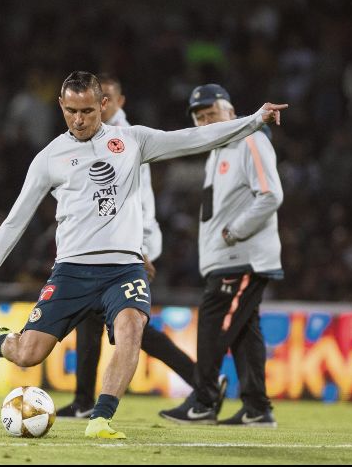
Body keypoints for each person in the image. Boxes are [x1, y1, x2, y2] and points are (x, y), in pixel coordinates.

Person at [0, 71, 287, 439]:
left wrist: (254, 120)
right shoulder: (49, 159)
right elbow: (16, 220)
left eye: (88, 111)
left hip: (124, 269)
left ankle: (101, 419)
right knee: (29, 354)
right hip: (71, 271)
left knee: (131, 329)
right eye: (72, 111)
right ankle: (0, 342)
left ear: (104, 106)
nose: (79, 120)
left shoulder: (132, 141)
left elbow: (193, 137)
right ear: (61, 106)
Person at [55, 74, 226, 420]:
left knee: (133, 329)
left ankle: (204, 382)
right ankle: (85, 398)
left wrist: (141, 247)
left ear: (115, 101)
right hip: (103, 245)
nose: (107, 105)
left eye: (111, 98)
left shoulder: (126, 140)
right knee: (91, 320)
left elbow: (140, 200)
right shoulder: (88, 136)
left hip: (132, 244)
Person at [159, 84, 283, 427]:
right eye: (200, 117)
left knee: (213, 325)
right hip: (227, 258)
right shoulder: (217, 151)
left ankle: (203, 400)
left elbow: (270, 194)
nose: (205, 121)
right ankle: (257, 407)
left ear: (230, 110)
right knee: (245, 332)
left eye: (211, 113)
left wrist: (234, 232)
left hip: (242, 257)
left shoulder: (251, 139)